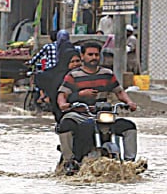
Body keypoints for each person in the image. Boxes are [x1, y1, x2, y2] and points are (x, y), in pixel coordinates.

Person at [57, 41, 138, 174]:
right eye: (90, 54)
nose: (94, 57)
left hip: (103, 114)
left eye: (96, 54)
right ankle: (69, 161)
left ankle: (130, 164)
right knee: (65, 124)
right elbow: (62, 94)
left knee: (129, 126)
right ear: (82, 56)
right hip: (80, 114)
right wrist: (64, 104)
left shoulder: (107, 74)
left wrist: (129, 102)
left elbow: (119, 92)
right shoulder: (73, 75)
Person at [35, 49, 82, 121]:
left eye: (77, 61)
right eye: (72, 62)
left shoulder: (84, 74)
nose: (75, 64)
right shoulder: (60, 77)